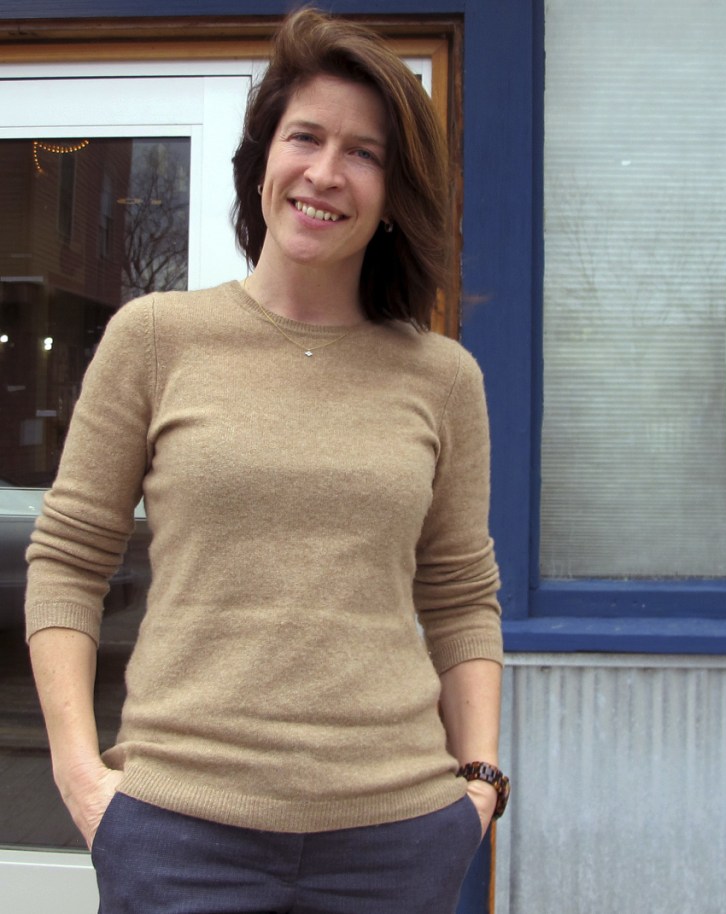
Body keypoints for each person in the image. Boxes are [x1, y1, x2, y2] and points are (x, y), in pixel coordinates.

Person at [25, 8, 507, 913]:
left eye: (363, 152)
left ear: (393, 191)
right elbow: (67, 561)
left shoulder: (444, 378)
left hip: (395, 842)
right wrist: (84, 781)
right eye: (306, 137)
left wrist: (479, 787)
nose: (326, 173)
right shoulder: (157, 338)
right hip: (178, 833)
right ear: (263, 161)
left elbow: (458, 592)